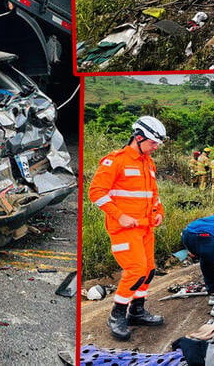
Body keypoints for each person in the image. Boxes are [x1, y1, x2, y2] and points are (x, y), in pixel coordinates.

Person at [88, 116, 167, 341]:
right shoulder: (115, 161)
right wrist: (120, 216)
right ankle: (117, 315)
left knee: (149, 269)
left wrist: (158, 211)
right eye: (153, 142)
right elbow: (96, 192)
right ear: (139, 137)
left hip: (145, 228)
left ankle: (137, 311)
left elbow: (153, 193)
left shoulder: (148, 162)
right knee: (135, 270)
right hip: (124, 229)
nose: (156, 147)